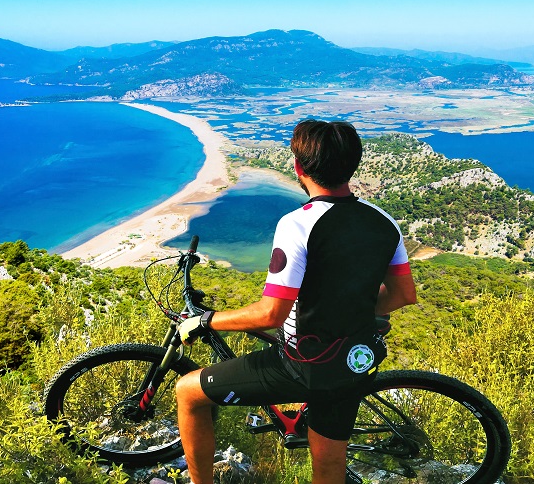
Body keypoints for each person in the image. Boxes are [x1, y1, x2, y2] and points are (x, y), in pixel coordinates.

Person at [174, 119, 418, 484]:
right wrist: (346, 311)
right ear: (353, 165)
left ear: (298, 167)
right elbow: (402, 295)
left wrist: (207, 320)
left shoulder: (298, 224)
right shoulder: (383, 221)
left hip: (303, 363)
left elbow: (271, 314)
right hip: (354, 359)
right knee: (330, 465)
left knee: (188, 391)